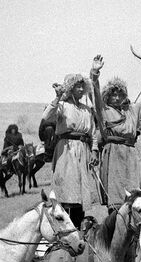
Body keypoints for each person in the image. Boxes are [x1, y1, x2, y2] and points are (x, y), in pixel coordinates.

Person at [91, 54, 141, 211]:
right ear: (107, 96)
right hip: (113, 154)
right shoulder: (103, 110)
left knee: (133, 198)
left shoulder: (132, 110)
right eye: (113, 94)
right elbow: (95, 93)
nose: (116, 98)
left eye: (120, 94)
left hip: (130, 155)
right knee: (116, 199)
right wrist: (95, 74)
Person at [42, 64, 101, 226]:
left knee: (80, 191)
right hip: (65, 150)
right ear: (70, 88)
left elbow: (93, 132)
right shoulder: (62, 106)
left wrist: (94, 151)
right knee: (65, 189)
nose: (81, 89)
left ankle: (78, 226)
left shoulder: (87, 110)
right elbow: (47, 116)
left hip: (83, 150)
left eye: (83, 86)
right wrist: (57, 98)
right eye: (77, 86)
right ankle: (61, 227)